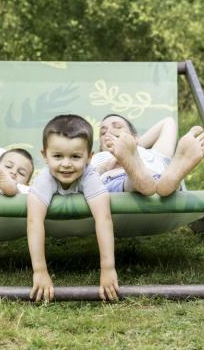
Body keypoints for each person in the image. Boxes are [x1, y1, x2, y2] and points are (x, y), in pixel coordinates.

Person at [27, 114, 119, 303]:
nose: (66, 164)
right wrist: (40, 271)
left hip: (99, 179)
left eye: (75, 156)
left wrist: (108, 268)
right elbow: (34, 221)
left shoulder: (89, 175)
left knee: (110, 175)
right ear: (44, 155)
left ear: (88, 157)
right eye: (57, 156)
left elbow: (104, 219)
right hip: (47, 188)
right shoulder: (44, 179)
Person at [91, 115, 204, 197]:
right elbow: (82, 178)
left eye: (117, 127)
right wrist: (104, 168)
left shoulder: (149, 153)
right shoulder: (96, 157)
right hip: (115, 182)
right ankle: (146, 177)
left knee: (160, 170)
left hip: (158, 178)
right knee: (127, 181)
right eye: (103, 132)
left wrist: (134, 147)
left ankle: (168, 177)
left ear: (135, 137)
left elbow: (168, 122)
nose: (109, 132)